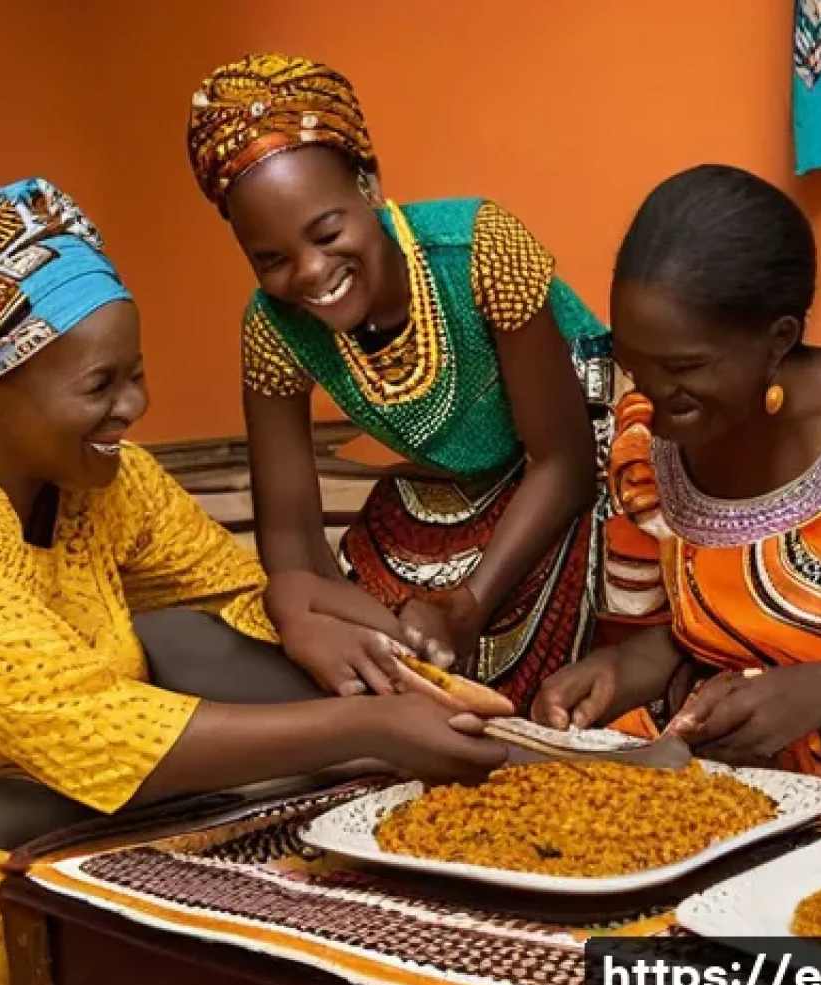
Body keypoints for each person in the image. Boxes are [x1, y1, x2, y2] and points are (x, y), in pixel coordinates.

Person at [0, 179, 507, 985]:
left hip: (56, 787)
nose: (135, 408)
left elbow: (231, 594)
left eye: (136, 375)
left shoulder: (110, 480)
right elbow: (84, 726)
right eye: (101, 385)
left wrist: (296, 603)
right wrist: (368, 726)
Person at [186, 53, 615, 713]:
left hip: (585, 454)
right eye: (271, 259)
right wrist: (354, 649)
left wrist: (467, 605)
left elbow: (564, 462)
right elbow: (294, 538)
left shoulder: (480, 248)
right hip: (459, 486)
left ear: (369, 187)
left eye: (327, 232)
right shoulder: (272, 327)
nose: (309, 273)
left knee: (545, 599)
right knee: (389, 591)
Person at [533, 163, 821, 816]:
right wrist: (618, 675)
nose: (649, 392)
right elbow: (694, 633)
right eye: (633, 363)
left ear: (779, 340)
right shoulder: (647, 442)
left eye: (684, 367)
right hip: (714, 770)